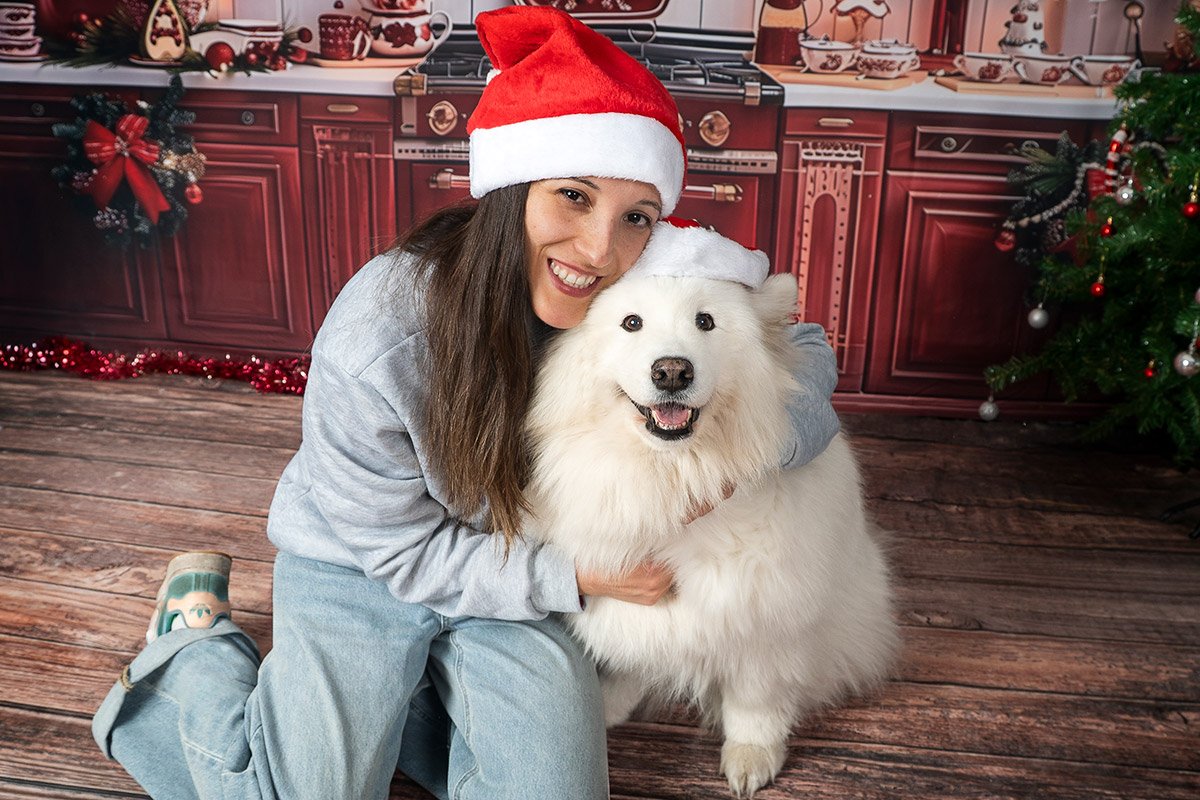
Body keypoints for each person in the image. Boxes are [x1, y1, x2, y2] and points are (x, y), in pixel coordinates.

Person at [91, 6, 841, 799]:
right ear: (511, 188)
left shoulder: (628, 298)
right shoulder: (380, 337)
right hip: (369, 570)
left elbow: (798, 353)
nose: (597, 250)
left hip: (517, 569)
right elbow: (403, 553)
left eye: (635, 218)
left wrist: (749, 441)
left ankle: (398, 703)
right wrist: (578, 575)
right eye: (573, 197)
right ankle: (193, 652)